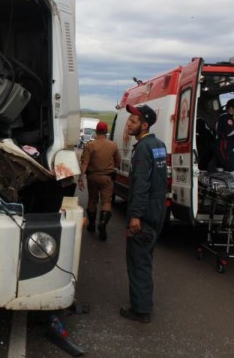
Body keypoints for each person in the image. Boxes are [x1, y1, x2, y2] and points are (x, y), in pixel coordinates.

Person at [120, 104, 167, 324]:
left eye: (133, 121)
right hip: (157, 211)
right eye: (129, 119)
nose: (128, 123)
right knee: (145, 258)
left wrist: (135, 216)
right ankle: (144, 303)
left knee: (138, 261)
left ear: (144, 125)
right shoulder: (159, 145)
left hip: (145, 214)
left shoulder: (143, 149)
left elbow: (140, 185)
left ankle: (140, 310)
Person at [78, 121, 120, 241]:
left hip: (92, 177)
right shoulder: (113, 145)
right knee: (106, 202)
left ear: (96, 131)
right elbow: (118, 162)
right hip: (107, 177)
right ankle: (102, 223)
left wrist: (81, 178)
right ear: (106, 131)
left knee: (92, 200)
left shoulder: (90, 145)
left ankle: (91, 225)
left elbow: (85, 162)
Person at [215, 98, 234, 174]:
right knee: (233, 170)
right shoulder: (227, 118)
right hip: (225, 146)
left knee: (221, 169)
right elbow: (230, 132)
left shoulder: (222, 116)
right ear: (230, 108)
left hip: (221, 146)